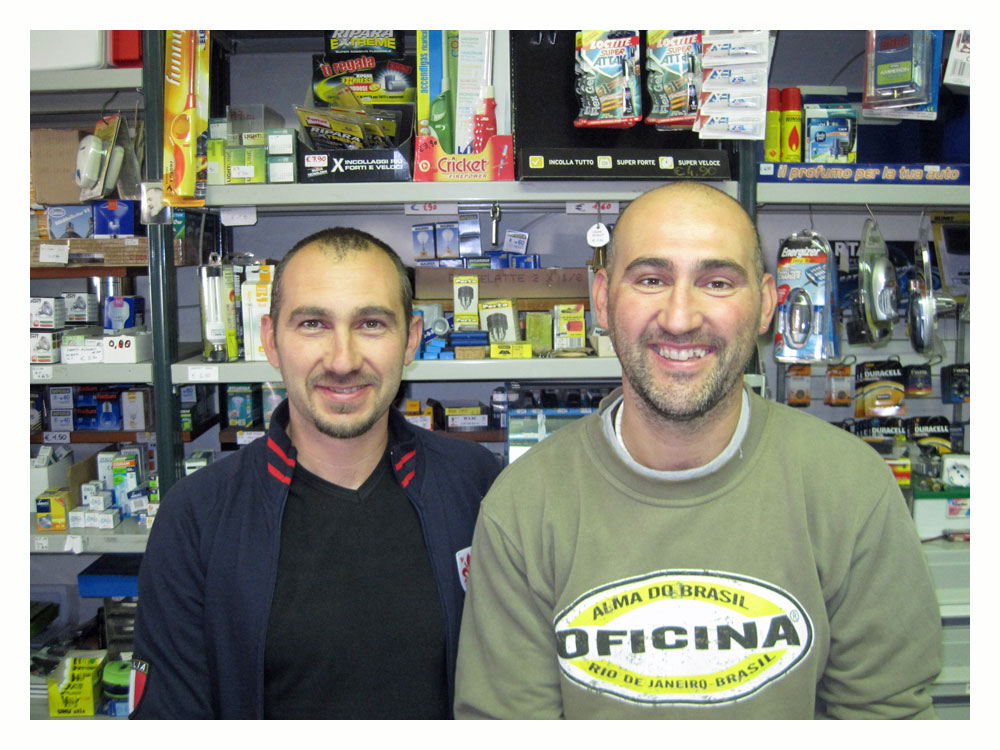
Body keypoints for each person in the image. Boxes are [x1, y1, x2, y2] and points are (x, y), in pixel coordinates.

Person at [453, 182, 942, 719]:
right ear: (602, 299)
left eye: (717, 282)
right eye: (651, 279)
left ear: (766, 305)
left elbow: (886, 715)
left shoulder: (850, 488)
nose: (680, 318)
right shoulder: (524, 506)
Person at [131, 227, 501, 719]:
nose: (342, 361)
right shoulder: (197, 516)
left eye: (371, 323)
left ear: (411, 340)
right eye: (312, 324)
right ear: (270, 340)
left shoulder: (476, 486)